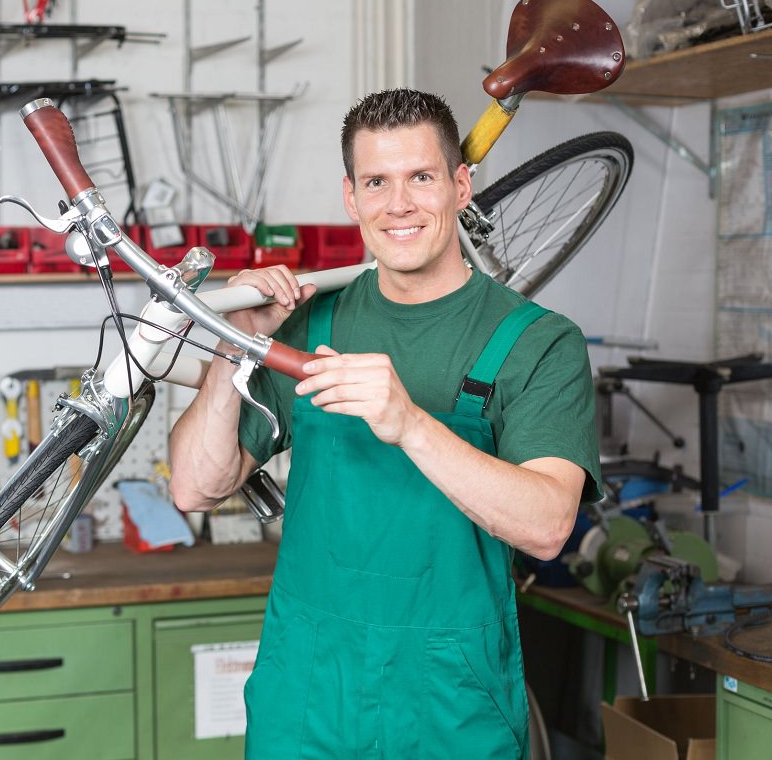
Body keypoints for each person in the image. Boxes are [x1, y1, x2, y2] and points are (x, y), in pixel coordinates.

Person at [168, 88, 602, 759]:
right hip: (307, 694)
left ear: (461, 187)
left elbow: (546, 527)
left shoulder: (538, 342)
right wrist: (237, 345)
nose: (398, 205)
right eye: (377, 182)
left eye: (421, 178)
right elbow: (197, 485)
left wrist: (410, 423)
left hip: (448, 704)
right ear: (352, 198)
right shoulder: (314, 322)